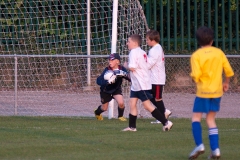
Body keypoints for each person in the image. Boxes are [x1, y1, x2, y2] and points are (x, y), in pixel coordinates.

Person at [188, 26, 234, 159]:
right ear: (212, 40)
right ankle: (216, 150)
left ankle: (199, 145)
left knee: (196, 118)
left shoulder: (196, 55)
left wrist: (194, 80)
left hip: (203, 92)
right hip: (217, 92)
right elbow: (229, 70)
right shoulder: (219, 53)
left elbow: (196, 75)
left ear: (198, 41)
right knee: (211, 119)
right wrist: (226, 83)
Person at [122, 34, 173, 132]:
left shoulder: (133, 52)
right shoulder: (141, 51)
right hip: (136, 84)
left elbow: (132, 67)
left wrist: (126, 65)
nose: (127, 43)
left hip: (142, 84)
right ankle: (132, 127)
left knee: (147, 106)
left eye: (128, 41)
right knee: (132, 103)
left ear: (134, 43)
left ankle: (166, 122)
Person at [145, 30, 172, 124]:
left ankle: (162, 116)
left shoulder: (154, 50)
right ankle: (164, 111)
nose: (146, 41)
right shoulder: (157, 48)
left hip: (157, 79)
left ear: (153, 40)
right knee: (148, 94)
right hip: (154, 78)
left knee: (157, 98)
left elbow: (149, 65)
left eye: (147, 39)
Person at [95, 53, 130, 121]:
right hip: (106, 90)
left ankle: (120, 116)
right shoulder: (107, 70)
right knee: (104, 108)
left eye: (111, 60)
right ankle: (97, 112)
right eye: (109, 60)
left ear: (117, 61)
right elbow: (98, 80)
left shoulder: (122, 69)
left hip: (116, 89)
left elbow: (129, 78)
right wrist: (107, 82)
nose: (109, 62)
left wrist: (125, 74)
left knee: (121, 103)